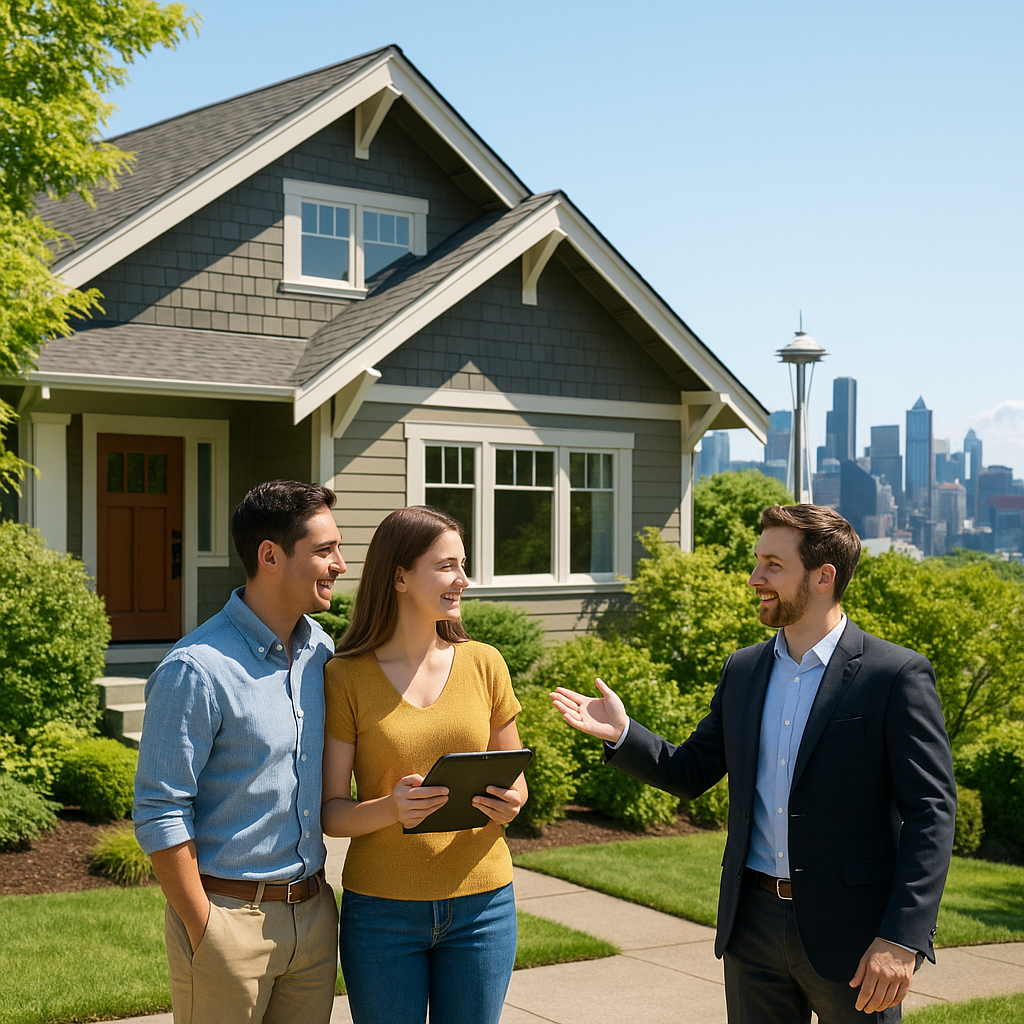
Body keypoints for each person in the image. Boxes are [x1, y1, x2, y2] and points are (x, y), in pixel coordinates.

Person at [551, 503, 956, 1024]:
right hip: (753, 927)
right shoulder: (743, 670)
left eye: (773, 565)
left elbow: (931, 812)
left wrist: (902, 937)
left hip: (854, 935)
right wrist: (624, 734)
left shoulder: (894, 674)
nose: (753, 578)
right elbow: (693, 770)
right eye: (757, 562)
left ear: (823, 577)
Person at [133, 480, 346, 1024]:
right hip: (227, 920)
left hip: (315, 917)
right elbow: (160, 809)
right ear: (269, 555)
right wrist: (204, 925)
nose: (340, 564)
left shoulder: (322, 651)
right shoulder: (196, 669)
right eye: (325, 550)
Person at [321, 505, 528, 1024]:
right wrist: (393, 808)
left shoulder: (485, 663)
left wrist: (511, 802)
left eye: (463, 564)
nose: (462, 579)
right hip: (383, 913)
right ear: (399, 577)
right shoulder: (346, 676)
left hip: (483, 905)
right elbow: (332, 813)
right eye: (447, 566)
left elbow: (516, 780)